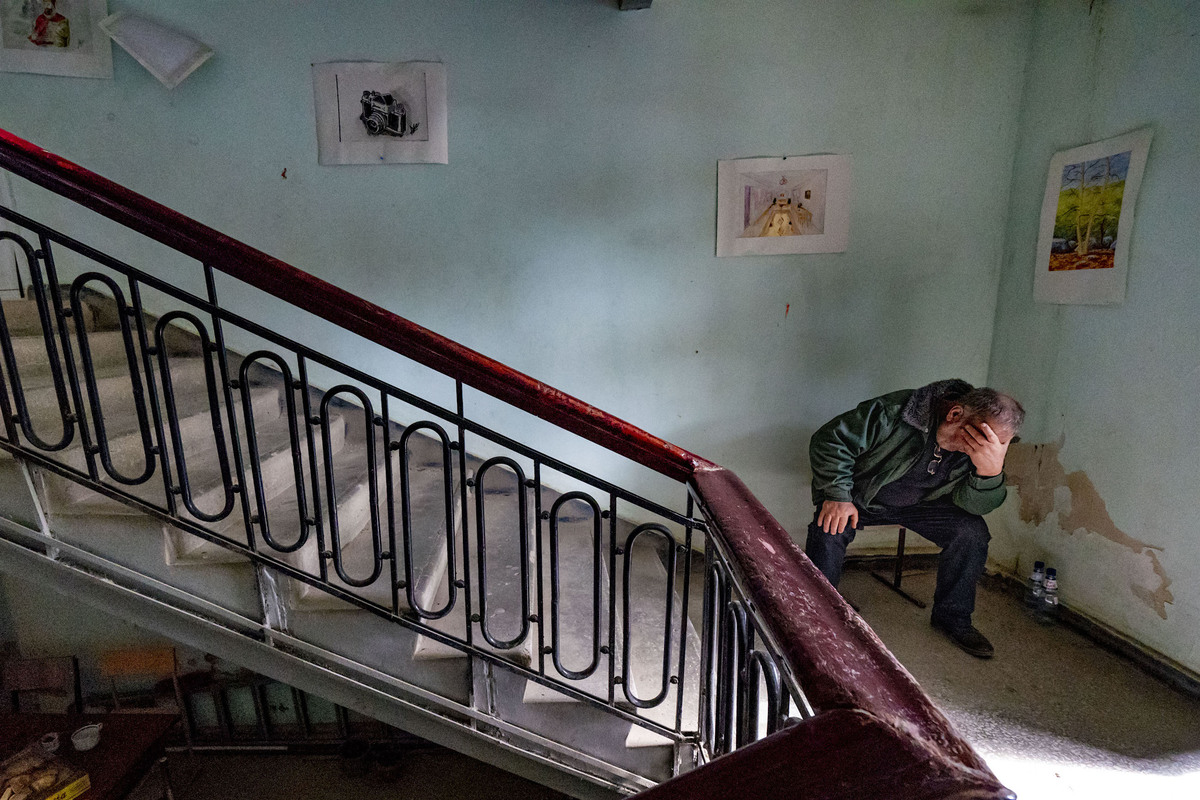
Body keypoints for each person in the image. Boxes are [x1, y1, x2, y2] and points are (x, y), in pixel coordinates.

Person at [805, 379, 1024, 658]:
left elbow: (974, 506)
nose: (978, 450)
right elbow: (830, 441)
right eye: (977, 441)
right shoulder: (896, 412)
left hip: (924, 505)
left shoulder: (980, 454)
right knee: (829, 529)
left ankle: (952, 617)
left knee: (971, 532)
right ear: (955, 414)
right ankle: (816, 612)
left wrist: (989, 473)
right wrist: (837, 495)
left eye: (994, 446)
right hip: (863, 497)